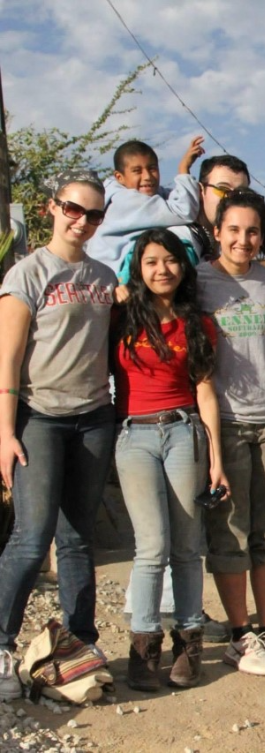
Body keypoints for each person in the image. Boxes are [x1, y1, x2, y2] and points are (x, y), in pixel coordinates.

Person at [0, 170, 117, 700]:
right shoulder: (28, 273)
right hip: (39, 417)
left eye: (94, 214)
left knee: (77, 540)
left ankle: (79, 646)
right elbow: (8, 358)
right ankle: (1, 647)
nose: (82, 221)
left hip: (93, 417)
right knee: (30, 540)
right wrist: (4, 432)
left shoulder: (102, 275)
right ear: (52, 208)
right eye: (74, 209)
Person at [112, 228, 227, 691]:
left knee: (186, 544)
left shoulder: (197, 321)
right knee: (151, 546)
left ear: (184, 266)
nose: (163, 270)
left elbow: (204, 388)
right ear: (139, 267)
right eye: (152, 261)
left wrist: (216, 458)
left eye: (172, 260)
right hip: (134, 435)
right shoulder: (118, 317)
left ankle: (188, 643)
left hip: (184, 431)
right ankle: (143, 650)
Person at [196, 188, 265, 677]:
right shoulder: (197, 281)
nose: (243, 239)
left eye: (252, 231)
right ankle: (241, 636)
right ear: (216, 232)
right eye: (233, 229)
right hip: (227, 425)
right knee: (230, 533)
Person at [87, 137, 206, 284]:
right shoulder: (124, 200)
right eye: (137, 171)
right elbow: (184, 211)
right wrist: (184, 170)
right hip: (111, 280)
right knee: (182, 231)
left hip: (120, 274)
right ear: (119, 177)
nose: (147, 177)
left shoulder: (145, 195)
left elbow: (171, 197)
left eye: (152, 168)